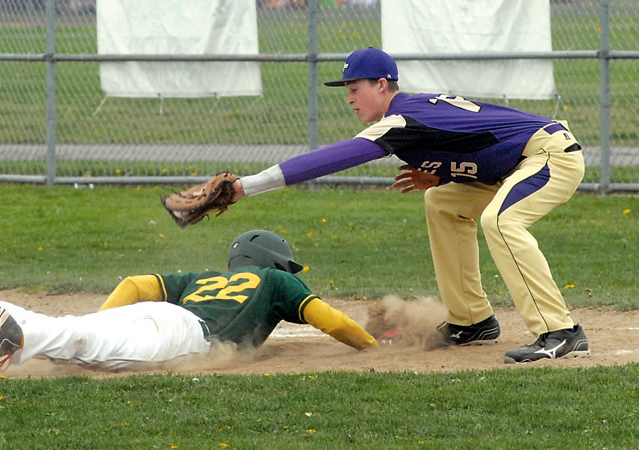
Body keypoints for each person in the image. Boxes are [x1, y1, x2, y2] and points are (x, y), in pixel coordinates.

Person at [228, 48, 589, 364]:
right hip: (516, 164)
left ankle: (560, 331)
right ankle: (472, 321)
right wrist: (444, 174)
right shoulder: (411, 113)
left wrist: (245, 187)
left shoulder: (400, 120)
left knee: (501, 221)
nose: (350, 99)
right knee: (442, 201)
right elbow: (480, 142)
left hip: (549, 154)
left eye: (355, 89)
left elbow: (327, 160)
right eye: (347, 92)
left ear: (382, 85)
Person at [0, 230, 378, 375]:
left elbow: (137, 282)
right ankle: (14, 333)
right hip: (182, 335)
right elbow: (329, 320)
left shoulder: (201, 278)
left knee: (74, 330)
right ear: (271, 261)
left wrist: (104, 321)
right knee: (77, 343)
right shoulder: (275, 279)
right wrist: (371, 345)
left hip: (157, 313)